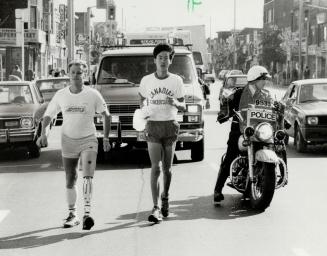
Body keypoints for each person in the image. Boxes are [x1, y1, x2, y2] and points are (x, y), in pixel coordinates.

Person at [37, 60, 111, 230]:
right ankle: (73, 214)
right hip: (68, 140)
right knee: (71, 178)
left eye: (79, 72)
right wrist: (42, 135)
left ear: (84, 75)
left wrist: (105, 138)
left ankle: (87, 214)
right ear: (68, 74)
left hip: (89, 139)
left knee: (87, 176)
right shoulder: (61, 94)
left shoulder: (92, 94)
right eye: (73, 72)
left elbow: (106, 115)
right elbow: (48, 116)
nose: (76, 76)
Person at [214, 65, 282, 203]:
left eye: (265, 79)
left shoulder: (267, 95)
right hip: (241, 130)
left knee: (279, 145)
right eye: (262, 79)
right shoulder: (238, 94)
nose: (265, 82)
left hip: (261, 131)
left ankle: (279, 175)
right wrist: (224, 114)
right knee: (230, 155)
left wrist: (282, 116)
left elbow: (275, 109)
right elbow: (226, 104)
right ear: (254, 79)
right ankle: (217, 189)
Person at [139, 43, 186, 223]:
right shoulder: (146, 80)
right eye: (160, 57)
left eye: (167, 57)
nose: (163, 61)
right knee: (155, 167)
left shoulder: (176, 81)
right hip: (153, 125)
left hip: (170, 125)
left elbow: (183, 105)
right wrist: (143, 111)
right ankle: (155, 206)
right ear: (155, 60)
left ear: (171, 60)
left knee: (167, 168)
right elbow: (142, 99)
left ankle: (165, 196)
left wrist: (175, 102)